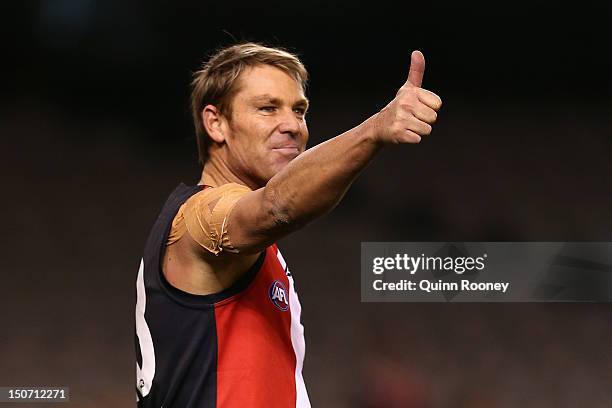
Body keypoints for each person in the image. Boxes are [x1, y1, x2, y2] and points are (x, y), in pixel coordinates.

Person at [135, 42, 442, 407]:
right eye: (267, 108)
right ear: (215, 123)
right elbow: (276, 205)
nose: (293, 126)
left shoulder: (253, 248)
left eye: (300, 111)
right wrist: (374, 130)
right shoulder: (198, 217)